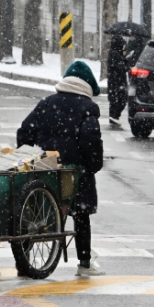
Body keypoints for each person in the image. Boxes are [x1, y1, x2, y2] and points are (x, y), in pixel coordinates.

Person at [17, 60, 105, 276]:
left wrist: (32, 156)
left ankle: (23, 263)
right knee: (80, 215)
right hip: (74, 173)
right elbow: (90, 140)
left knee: (33, 213)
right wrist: (92, 166)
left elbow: (24, 132)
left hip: (46, 170)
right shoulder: (88, 108)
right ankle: (84, 264)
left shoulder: (47, 103)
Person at [107, 34, 128, 127]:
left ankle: (113, 116)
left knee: (115, 99)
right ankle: (114, 116)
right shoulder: (115, 54)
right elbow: (121, 67)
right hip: (118, 81)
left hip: (114, 81)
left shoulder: (114, 53)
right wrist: (125, 60)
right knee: (121, 99)